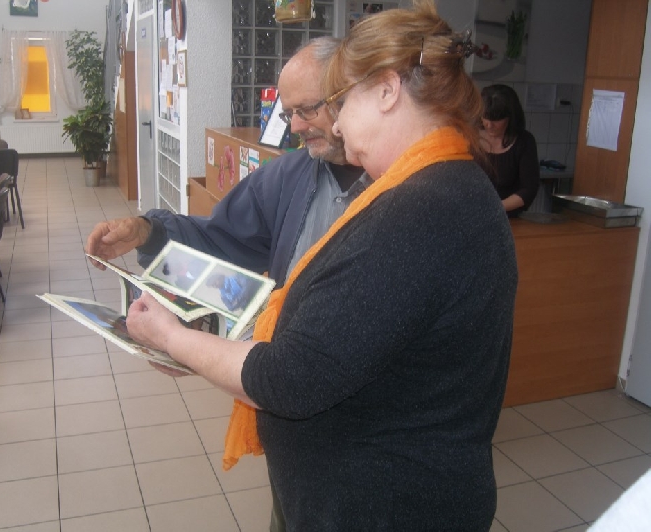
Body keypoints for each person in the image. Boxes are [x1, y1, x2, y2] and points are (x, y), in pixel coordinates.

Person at [124, 1, 518, 530]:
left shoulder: (420, 212)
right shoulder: (445, 187)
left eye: (339, 101)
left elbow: (288, 378)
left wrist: (173, 338)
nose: (337, 124)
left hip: (384, 508)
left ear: (386, 90)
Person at [85, 37, 371, 532]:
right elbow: (221, 238)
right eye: (288, 113)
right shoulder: (291, 175)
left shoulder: (406, 189)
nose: (295, 127)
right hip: (290, 420)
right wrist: (148, 231)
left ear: (356, 94)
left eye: (307, 110)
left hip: (372, 431)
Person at [480, 83, 540, 216]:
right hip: (470, 216)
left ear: (510, 117)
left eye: (497, 120)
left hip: (509, 218)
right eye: (485, 118)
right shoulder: (469, 138)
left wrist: (495, 208)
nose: (489, 125)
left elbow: (528, 189)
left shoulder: (524, 141)